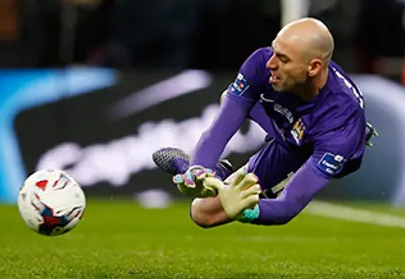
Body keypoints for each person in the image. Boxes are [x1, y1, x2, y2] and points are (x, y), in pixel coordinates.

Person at [152, 17, 377, 227]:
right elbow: (219, 131)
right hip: (286, 132)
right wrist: (199, 169)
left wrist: (245, 211)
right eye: (274, 51)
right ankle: (218, 172)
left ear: (314, 67)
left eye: (283, 59)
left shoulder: (341, 125)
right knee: (200, 212)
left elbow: (287, 206)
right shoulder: (261, 63)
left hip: (309, 149)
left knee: (206, 214)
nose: (270, 63)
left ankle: (231, 177)